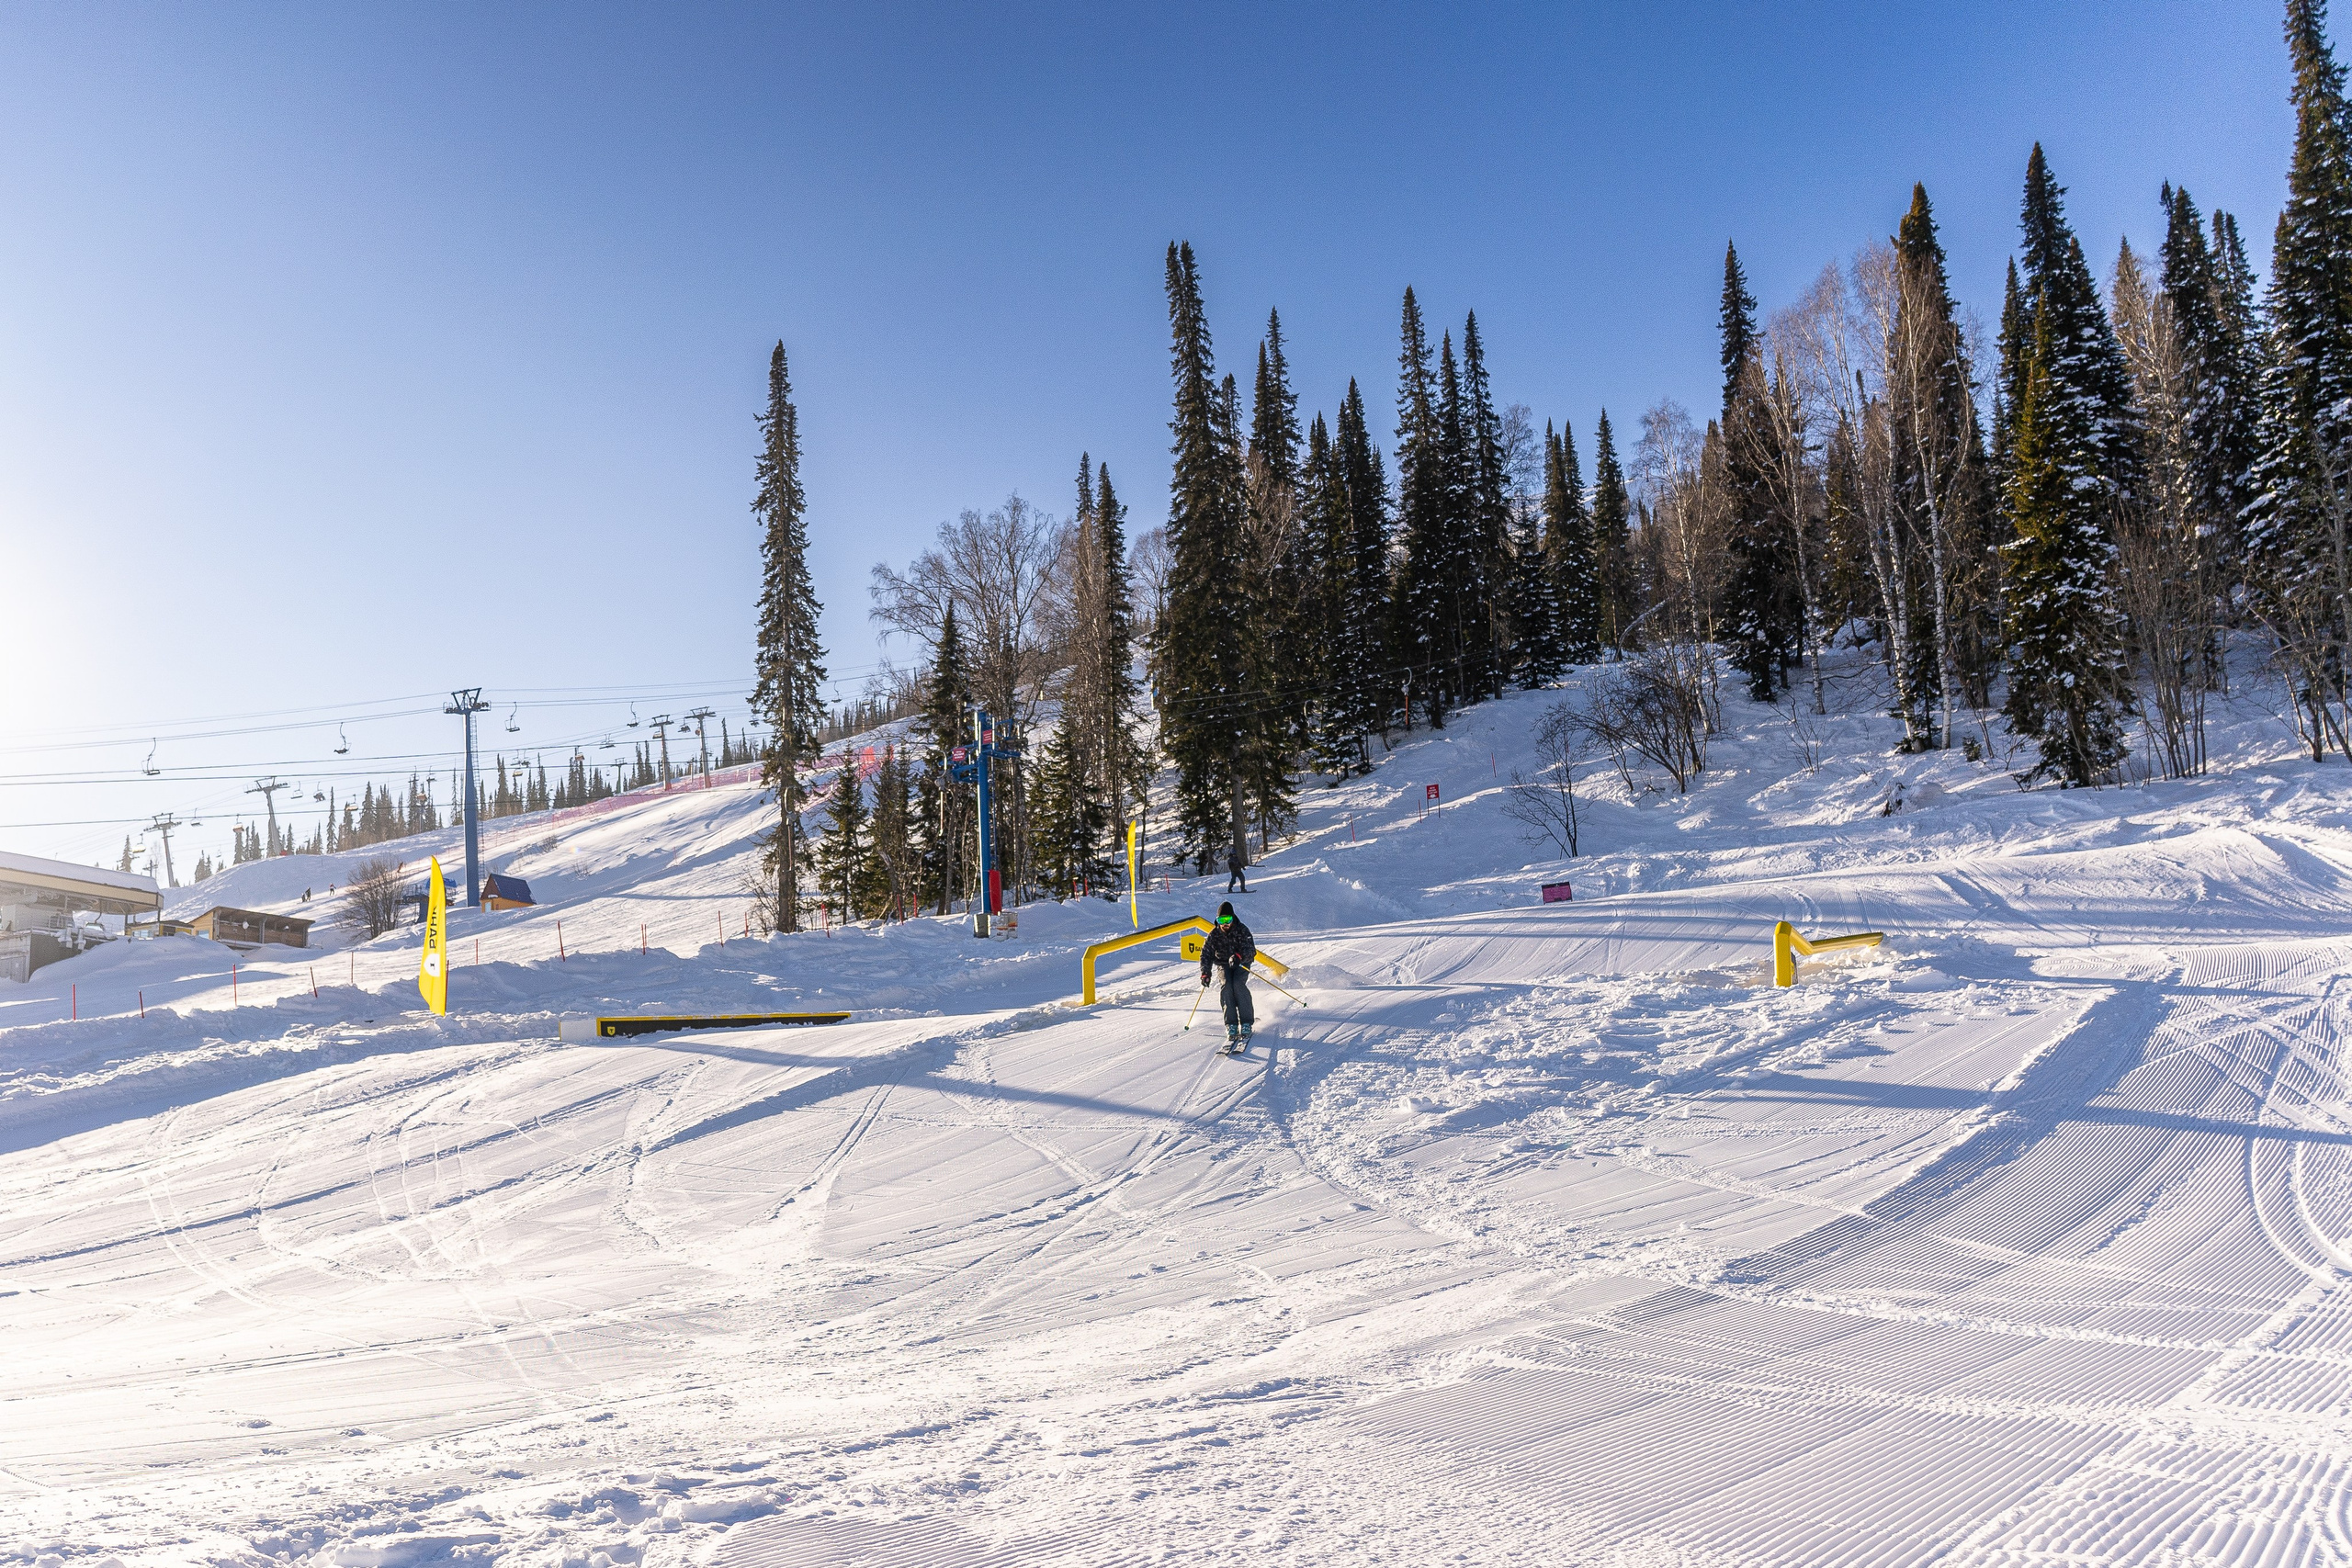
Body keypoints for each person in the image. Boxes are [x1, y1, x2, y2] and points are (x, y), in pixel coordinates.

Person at [1199, 899, 1256, 1050]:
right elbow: (1206, 954)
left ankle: (1246, 1022)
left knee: (1237, 984)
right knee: (1226, 985)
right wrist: (1205, 972)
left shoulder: (1242, 930)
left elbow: (1251, 951)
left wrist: (1239, 957)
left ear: (1233, 918)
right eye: (1221, 920)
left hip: (1241, 963)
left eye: (1228, 920)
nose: (1225, 924)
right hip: (1223, 963)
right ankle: (1231, 1024)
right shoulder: (1214, 934)